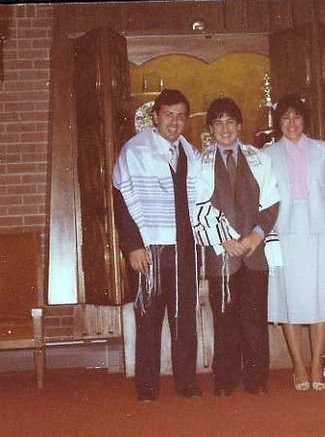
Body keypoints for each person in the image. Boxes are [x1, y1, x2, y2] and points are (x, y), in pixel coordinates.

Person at [112, 89, 202, 401]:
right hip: (149, 248)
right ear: (155, 116)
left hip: (183, 248)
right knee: (148, 320)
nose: (174, 122)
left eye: (180, 116)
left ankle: (187, 384)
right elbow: (122, 201)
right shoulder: (135, 151)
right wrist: (133, 246)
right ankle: (147, 388)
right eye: (168, 115)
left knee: (185, 319)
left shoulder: (189, 152)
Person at [194, 97, 280, 397]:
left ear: (240, 126)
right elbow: (196, 207)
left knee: (254, 320)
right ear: (210, 129)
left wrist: (256, 235)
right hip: (222, 255)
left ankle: (257, 381)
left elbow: (271, 203)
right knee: (224, 320)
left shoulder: (260, 159)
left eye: (230, 122)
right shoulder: (199, 164)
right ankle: (225, 380)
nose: (225, 128)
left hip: (254, 253)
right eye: (218, 123)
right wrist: (223, 239)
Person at [264, 94, 325, 392]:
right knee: (290, 300)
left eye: (296, 116)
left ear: (304, 119)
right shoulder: (267, 154)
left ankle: (317, 367)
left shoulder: (324, 150)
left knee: (319, 299)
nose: (291, 122)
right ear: (278, 122)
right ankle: (299, 366)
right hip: (283, 233)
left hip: (320, 233)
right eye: (285, 117)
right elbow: (264, 200)